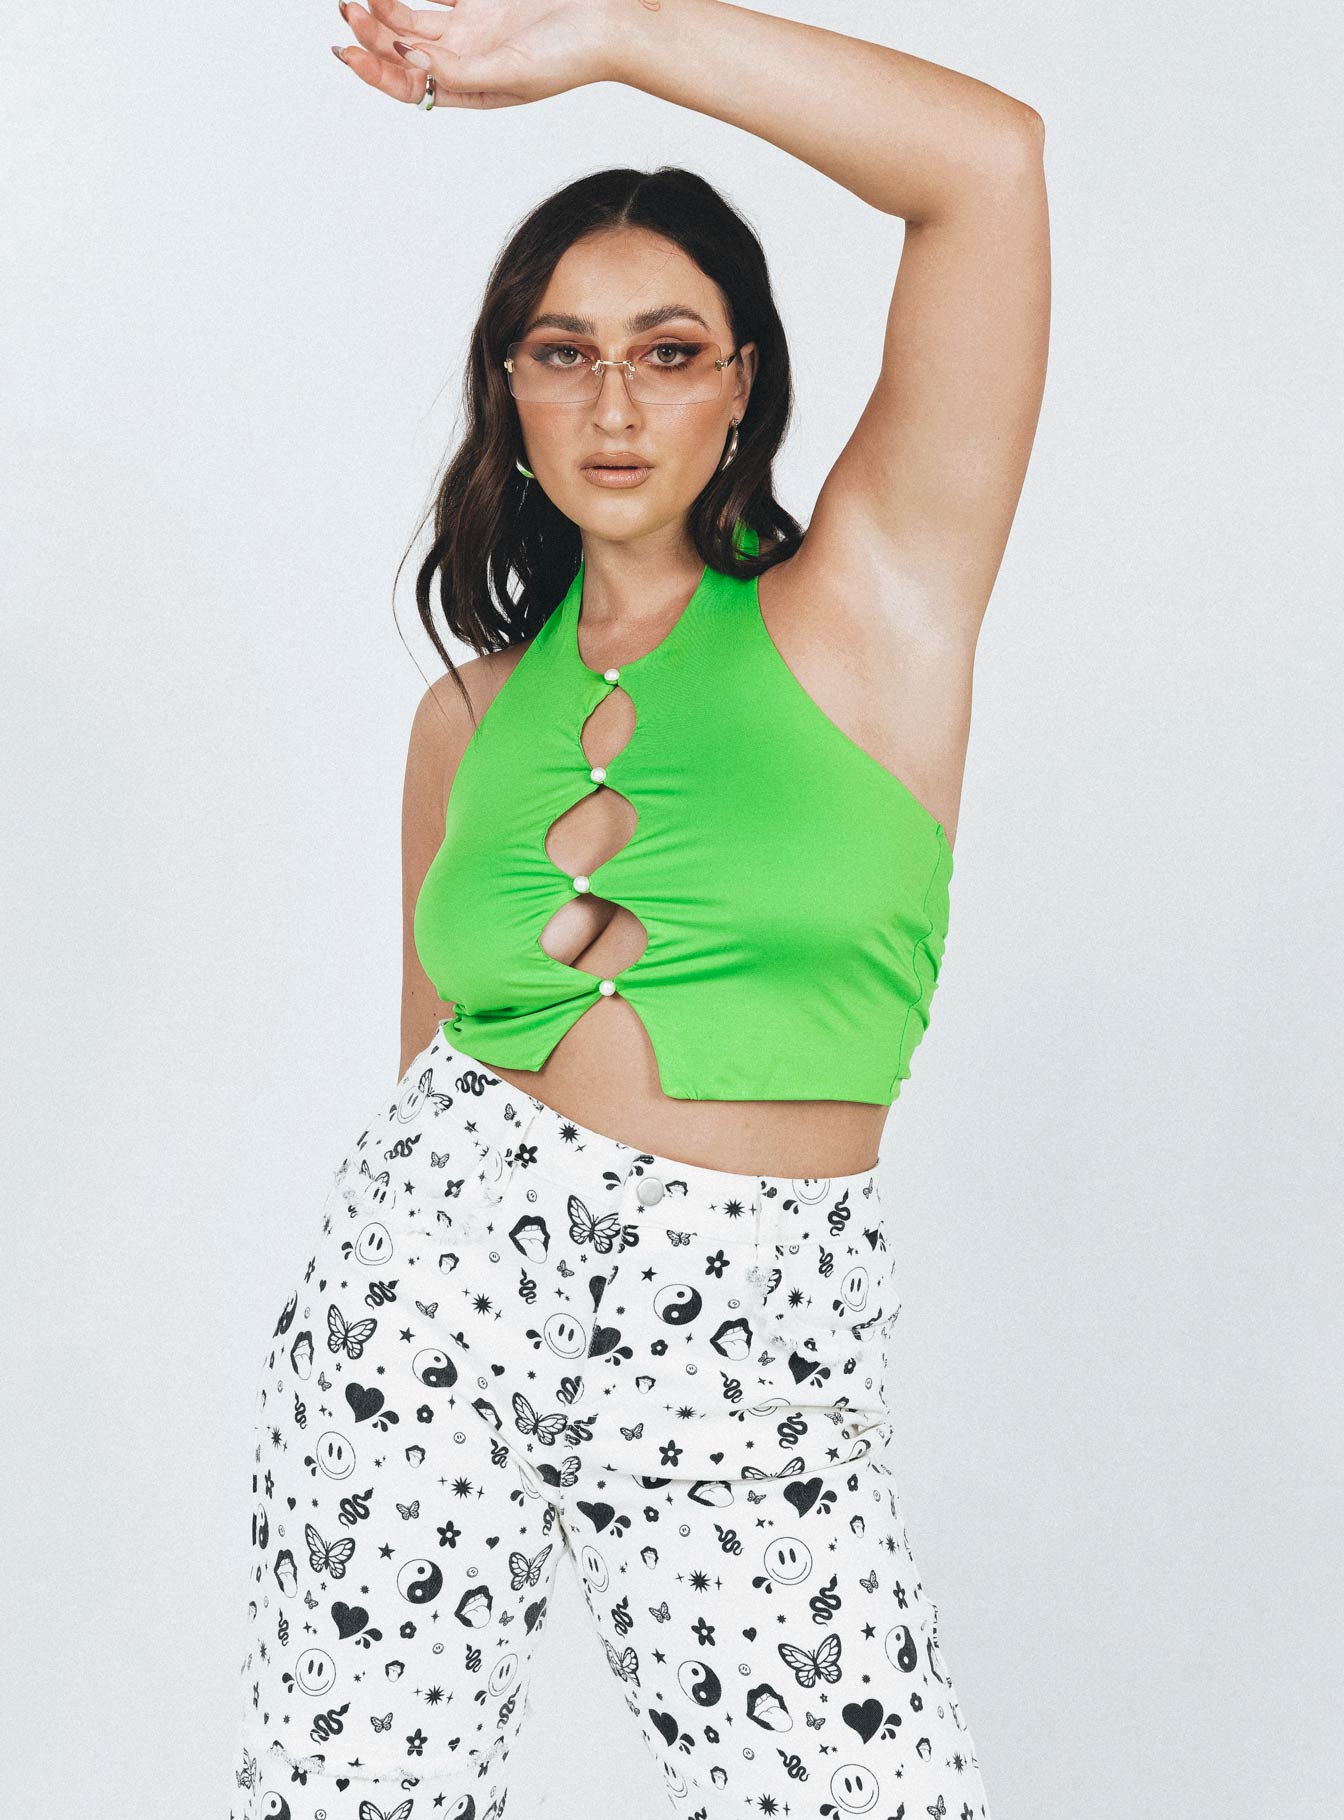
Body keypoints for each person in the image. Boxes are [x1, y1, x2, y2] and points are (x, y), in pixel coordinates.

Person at [233, 3, 1049, 1816]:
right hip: (427, 1289)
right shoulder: (463, 719)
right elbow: (426, 1067)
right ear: (509, 392)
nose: (614, 404)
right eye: (564, 353)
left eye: (669, 353)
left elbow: (988, 168)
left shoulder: (878, 605)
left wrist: (604, 33)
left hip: (749, 1326)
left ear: (744, 380)